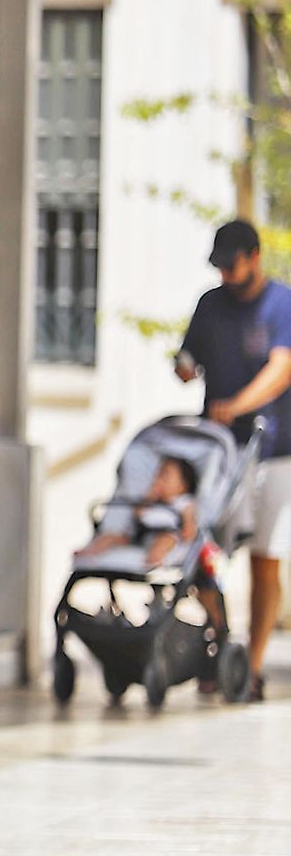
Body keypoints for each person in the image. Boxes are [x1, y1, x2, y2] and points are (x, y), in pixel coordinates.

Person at [176, 218, 291, 702]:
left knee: (265, 560)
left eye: (232, 265)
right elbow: (188, 356)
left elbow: (282, 369)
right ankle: (222, 645)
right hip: (219, 452)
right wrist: (183, 366)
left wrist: (238, 405)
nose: (225, 275)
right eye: (219, 267)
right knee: (200, 550)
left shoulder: (281, 303)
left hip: (274, 451)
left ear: (254, 258)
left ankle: (253, 667)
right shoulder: (210, 304)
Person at [75, 455, 200, 569]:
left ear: (182, 486)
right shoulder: (154, 502)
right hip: (141, 534)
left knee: (165, 539)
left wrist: (188, 527)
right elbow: (138, 514)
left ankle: (155, 559)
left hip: (169, 533)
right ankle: (89, 553)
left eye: (165, 475)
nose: (159, 479)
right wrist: (150, 497)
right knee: (111, 537)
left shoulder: (184, 502)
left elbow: (189, 524)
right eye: (158, 475)